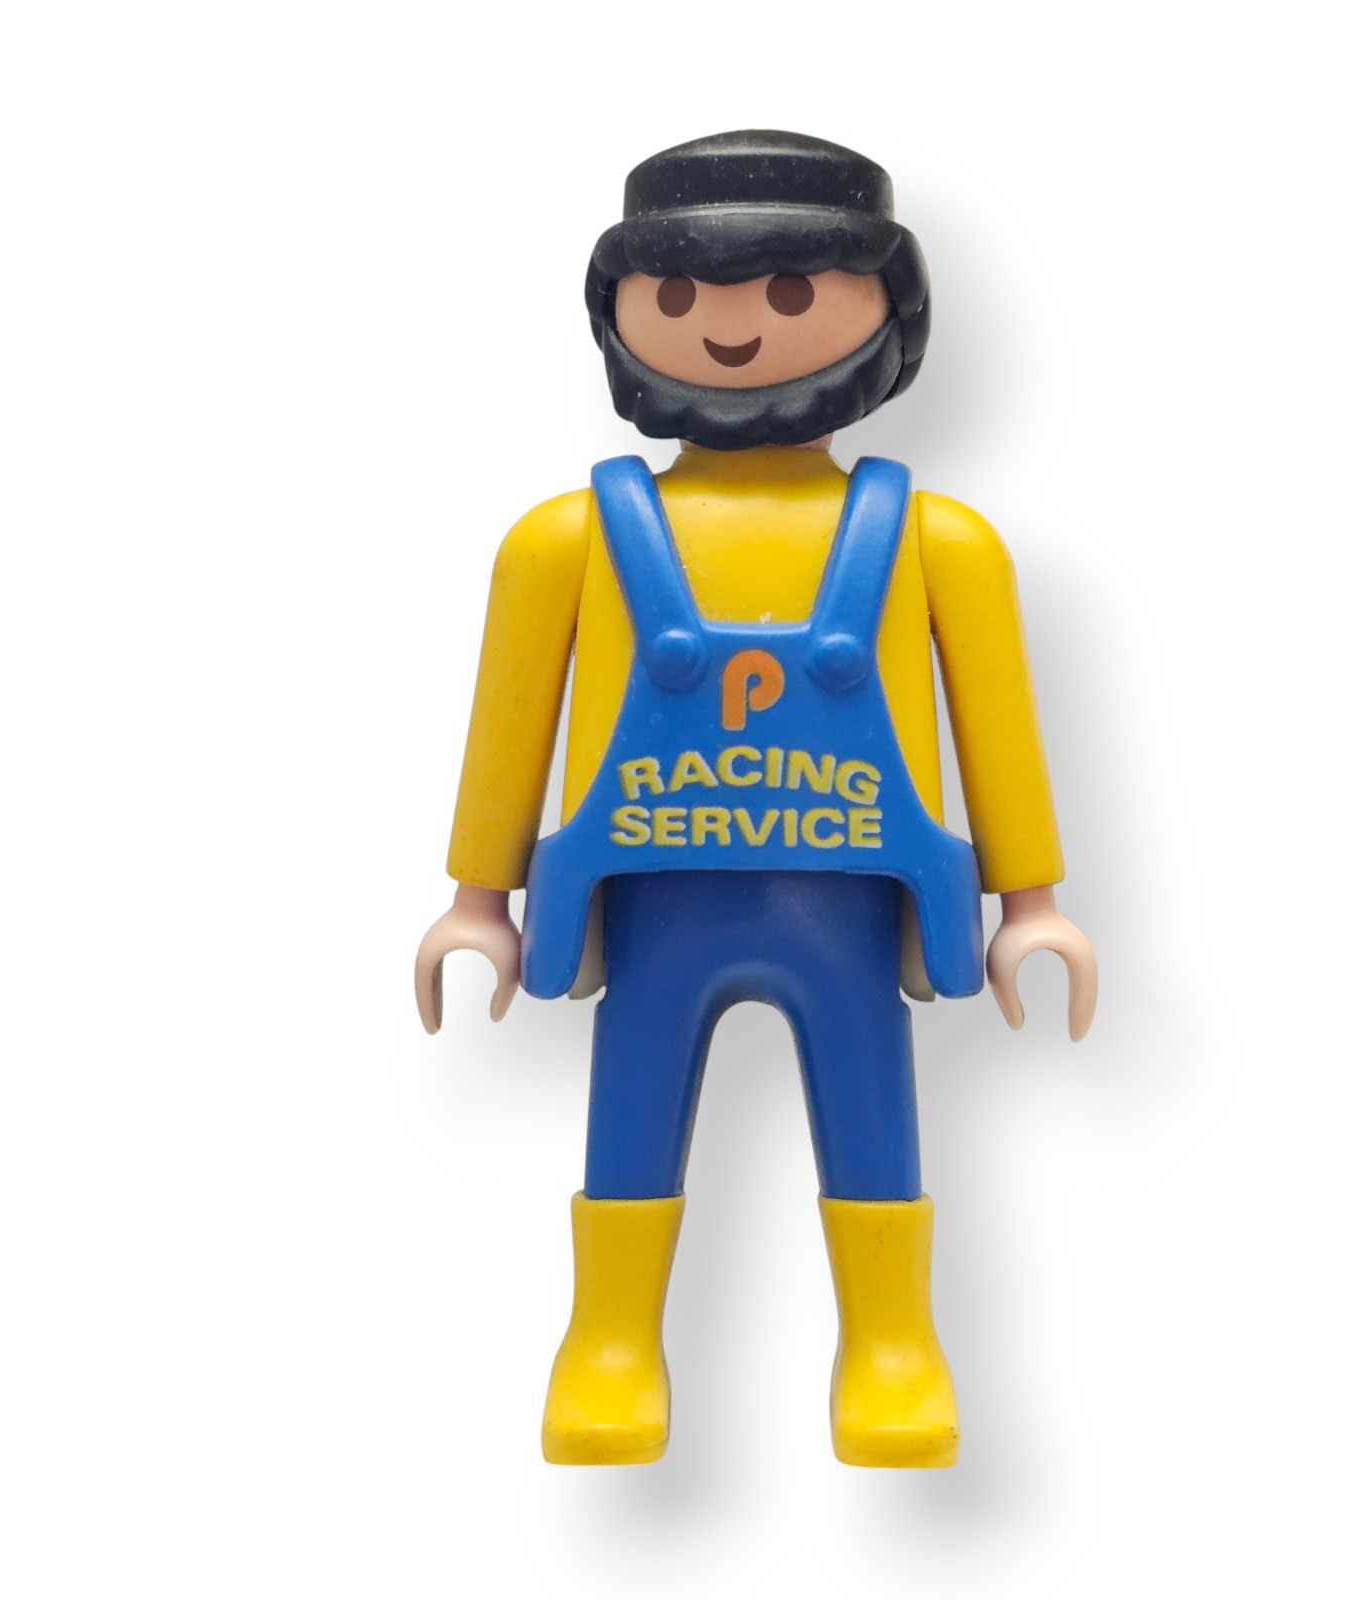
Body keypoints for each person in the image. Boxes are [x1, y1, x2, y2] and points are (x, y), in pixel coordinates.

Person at [415, 129, 1097, 1468]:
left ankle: (893, 1344)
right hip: (652, 900)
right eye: (679, 294)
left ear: (887, 311)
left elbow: (999, 726)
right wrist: (476, 901)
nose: (734, 328)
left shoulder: (940, 544)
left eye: (791, 293)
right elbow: (509, 721)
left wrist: (1033, 905)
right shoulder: (562, 543)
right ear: (619, 312)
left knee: (871, 1110)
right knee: (631, 1111)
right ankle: (608, 1340)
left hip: (847, 900)